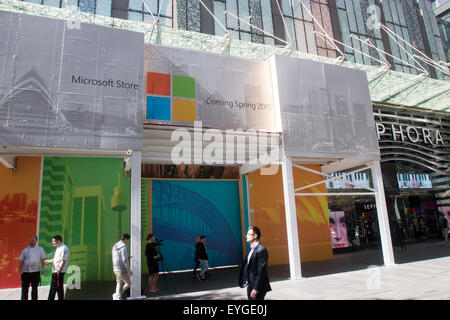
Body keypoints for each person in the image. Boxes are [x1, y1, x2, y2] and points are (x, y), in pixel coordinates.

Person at [239, 226, 271, 300]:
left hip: (258, 288)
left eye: (248, 234)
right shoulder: (252, 249)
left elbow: (261, 272)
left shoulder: (261, 250)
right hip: (251, 285)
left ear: (255, 236)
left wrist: (255, 289)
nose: (246, 236)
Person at [19, 235, 46, 300]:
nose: (31, 241)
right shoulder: (25, 250)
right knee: (24, 290)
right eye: (30, 240)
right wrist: (21, 271)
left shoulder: (40, 249)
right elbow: (21, 261)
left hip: (35, 272)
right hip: (26, 272)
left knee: (34, 289)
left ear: (36, 241)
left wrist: (42, 268)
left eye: (33, 240)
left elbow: (43, 259)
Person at [45, 235, 69, 300]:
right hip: (55, 271)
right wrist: (48, 261)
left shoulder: (64, 248)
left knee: (58, 287)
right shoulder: (58, 248)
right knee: (54, 287)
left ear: (58, 241)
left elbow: (63, 261)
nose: (52, 243)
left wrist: (59, 270)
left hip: (59, 272)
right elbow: (56, 259)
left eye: (54, 241)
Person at [112, 233, 133, 300]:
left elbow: (117, 256)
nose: (127, 241)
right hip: (121, 269)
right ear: (126, 239)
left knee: (119, 283)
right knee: (128, 283)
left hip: (115, 268)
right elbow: (124, 260)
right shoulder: (123, 246)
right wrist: (128, 269)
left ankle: (117, 297)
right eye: (127, 240)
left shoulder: (115, 245)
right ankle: (117, 295)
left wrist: (127, 257)